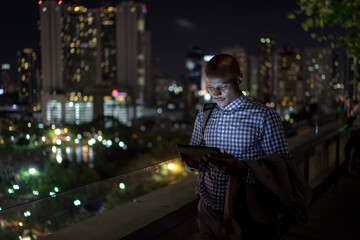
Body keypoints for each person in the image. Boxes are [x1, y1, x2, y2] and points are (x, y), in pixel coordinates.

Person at [179, 54, 310, 240]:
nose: (215, 94)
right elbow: (198, 155)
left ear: (239, 79)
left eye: (222, 87)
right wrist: (193, 162)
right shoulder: (205, 115)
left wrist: (244, 169)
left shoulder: (264, 116)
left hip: (248, 211)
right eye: (210, 88)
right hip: (208, 207)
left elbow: (281, 167)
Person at [344, 81, 360, 173]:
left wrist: (349, 106)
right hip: (357, 131)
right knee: (356, 150)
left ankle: (348, 168)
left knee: (348, 148)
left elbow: (350, 116)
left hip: (357, 131)